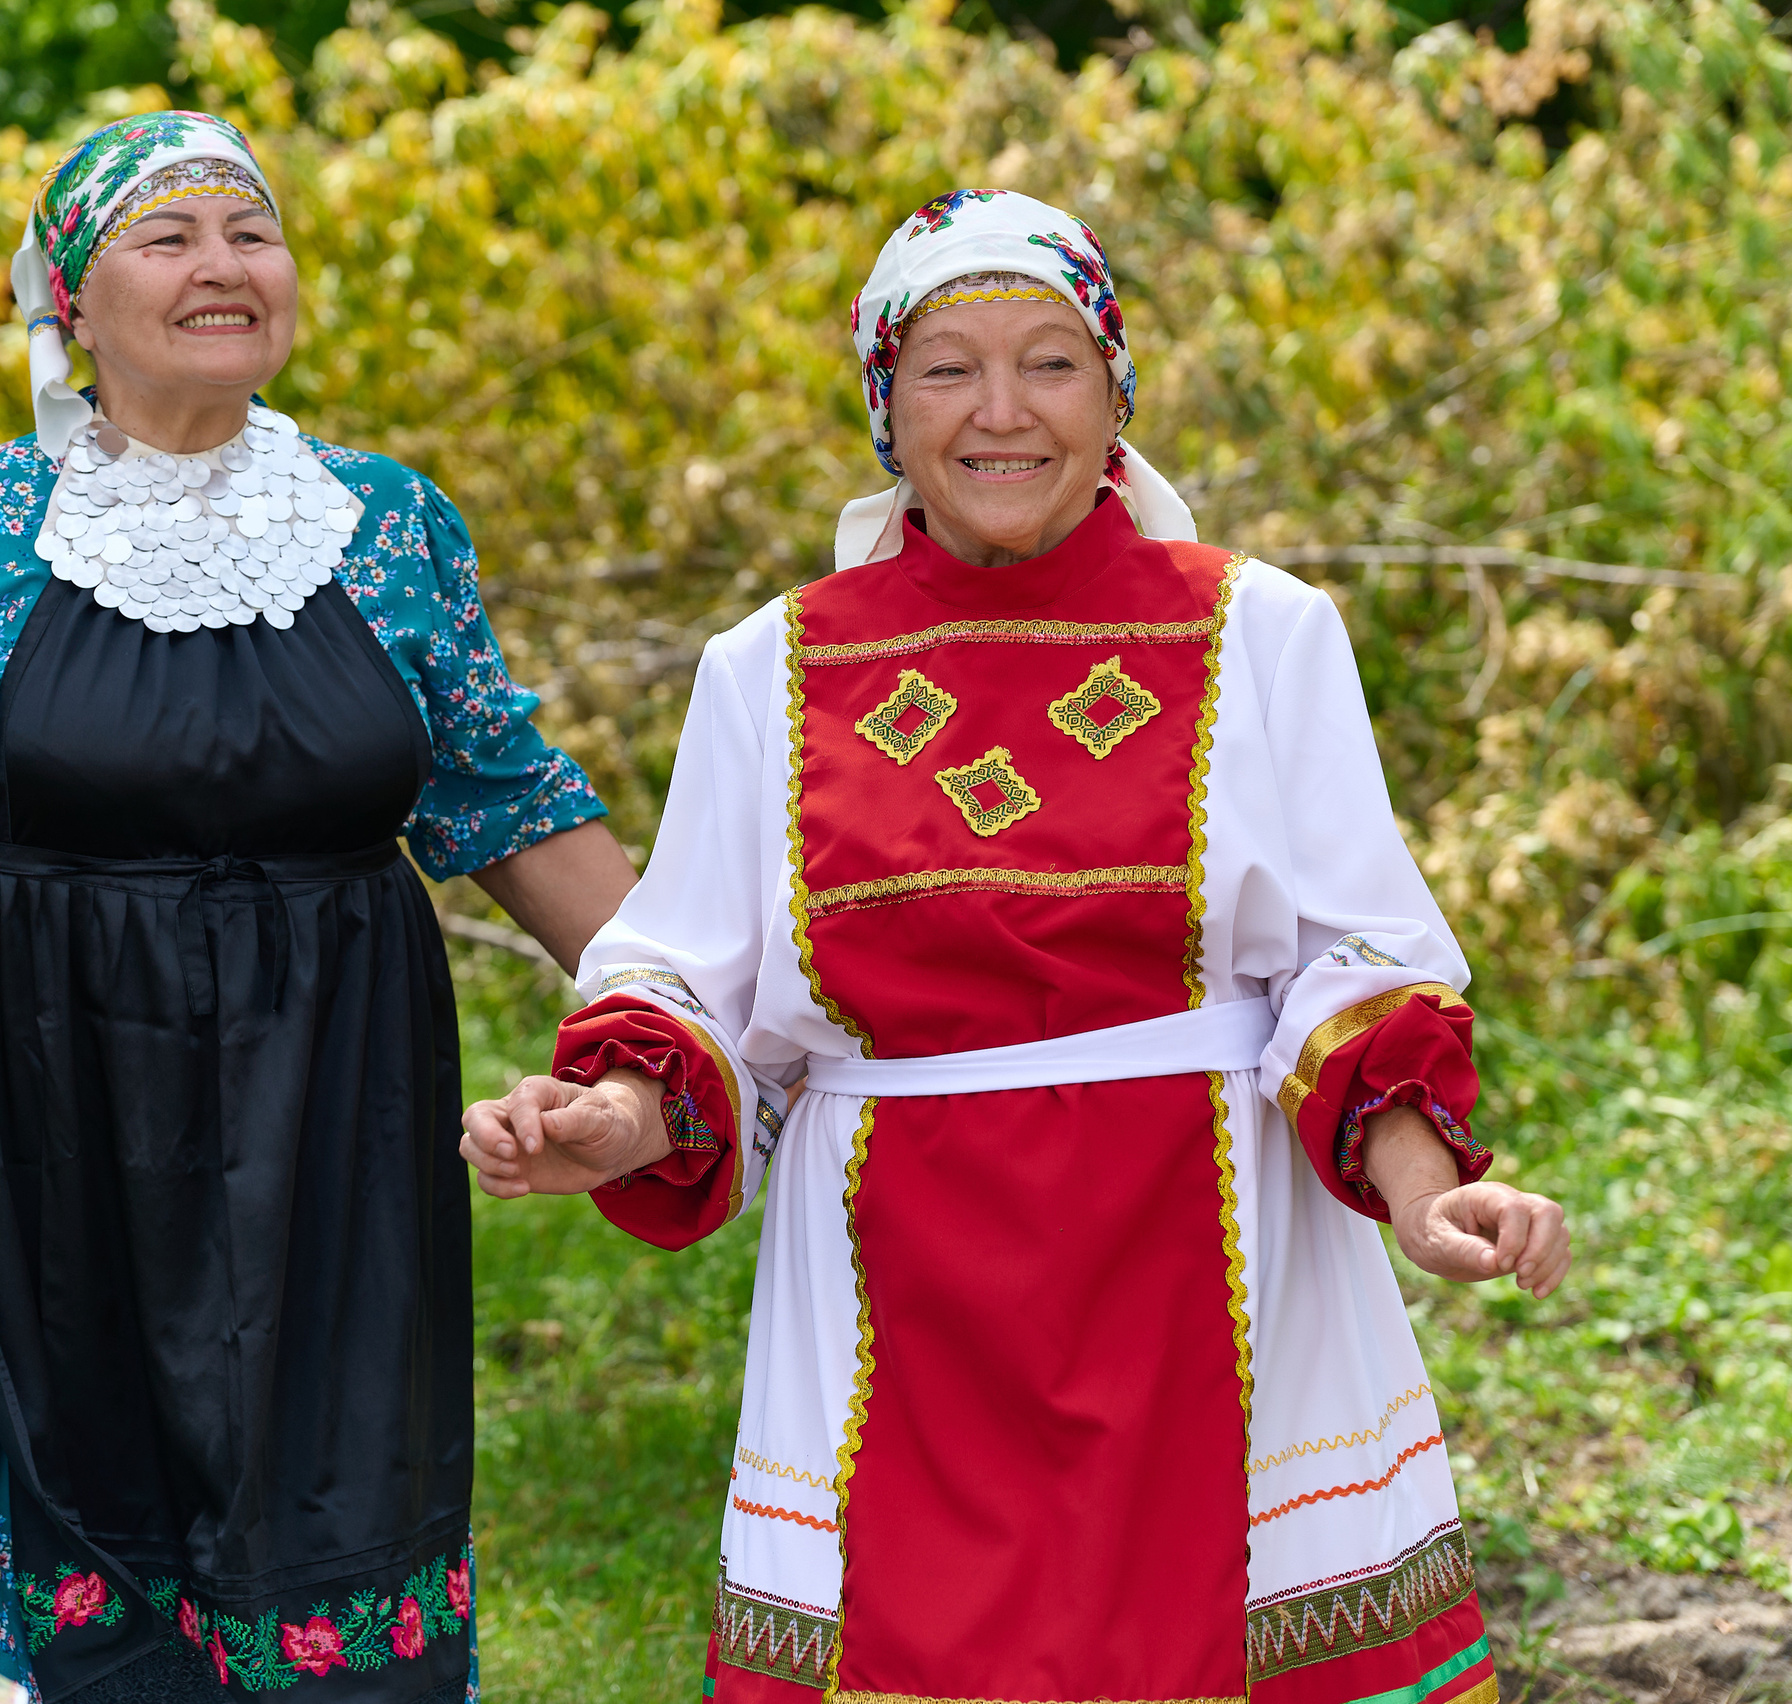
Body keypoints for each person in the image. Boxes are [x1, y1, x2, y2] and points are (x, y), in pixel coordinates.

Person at [461, 188, 1571, 1704]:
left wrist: (1431, 1197)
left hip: (1212, 1264)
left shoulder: (1265, 632)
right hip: (892, 1292)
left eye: (1052, 362)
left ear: (1119, 393)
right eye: (946, 370)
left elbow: (1356, 970)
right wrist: (613, 1113)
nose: (1002, 413)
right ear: (882, 407)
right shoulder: (769, 668)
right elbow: (691, 987)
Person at [0, 110, 637, 1703]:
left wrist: (710, 1020)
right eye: (169, 237)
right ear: (68, 296)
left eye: (250, 234)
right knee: (84, 1493)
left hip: (337, 1097)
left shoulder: (389, 522)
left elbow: (511, 803)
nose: (222, 268)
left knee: (342, 1469)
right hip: (58, 1096)